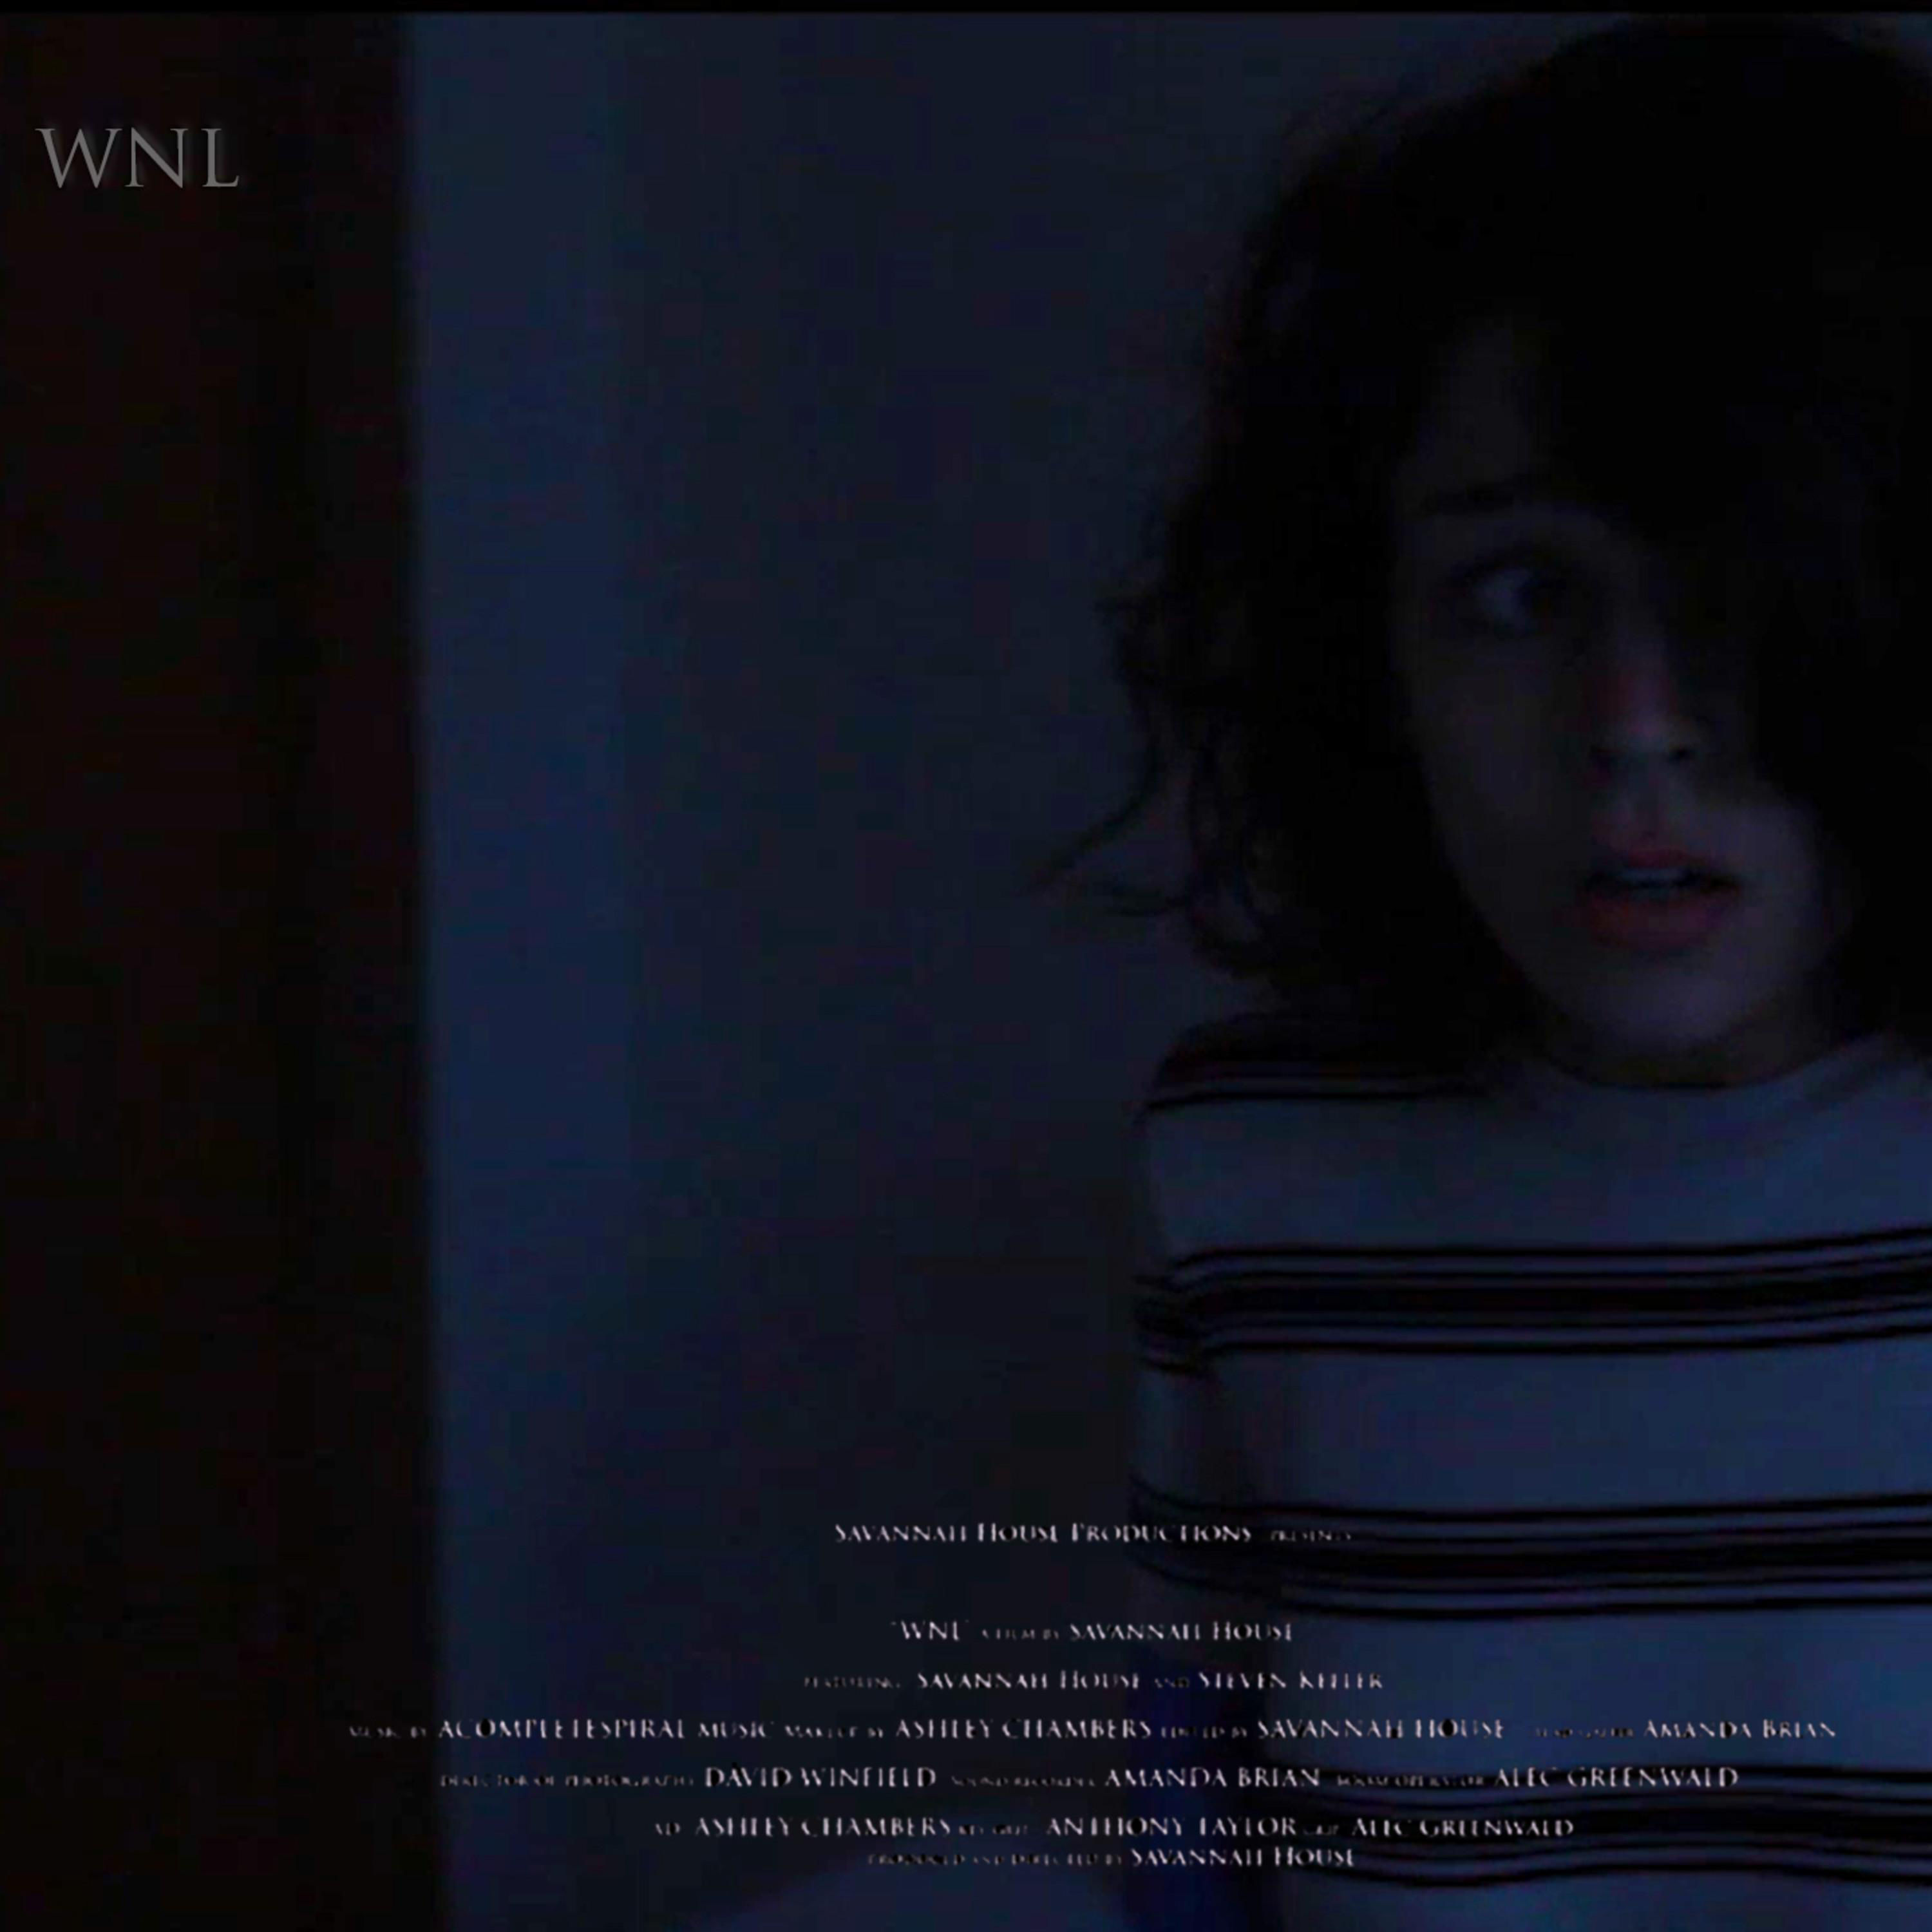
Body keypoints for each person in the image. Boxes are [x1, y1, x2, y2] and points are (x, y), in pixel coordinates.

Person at [1034, 14, 1932, 1930]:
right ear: (1371, 648)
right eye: (1523, 594)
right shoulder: (1254, 1166)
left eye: (1744, 584)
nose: (1636, 723)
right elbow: (1188, 1834)